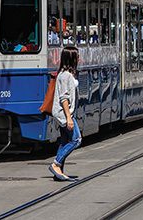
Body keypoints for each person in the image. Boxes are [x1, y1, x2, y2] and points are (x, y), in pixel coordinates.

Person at [48, 46, 81, 182]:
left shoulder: (66, 74)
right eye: (77, 56)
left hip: (64, 113)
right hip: (63, 113)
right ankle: (56, 164)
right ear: (71, 58)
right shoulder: (65, 75)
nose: (79, 58)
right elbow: (64, 98)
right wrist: (69, 118)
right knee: (76, 139)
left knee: (65, 141)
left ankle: (59, 171)